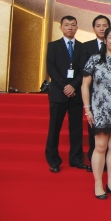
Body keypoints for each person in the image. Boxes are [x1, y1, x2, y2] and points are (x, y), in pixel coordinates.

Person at [81, 26, 111, 199]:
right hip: (100, 109)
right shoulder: (95, 59)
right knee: (100, 146)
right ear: (105, 39)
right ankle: (98, 184)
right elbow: (85, 85)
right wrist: (87, 110)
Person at [45, 15, 87, 172]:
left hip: (75, 93)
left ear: (77, 28)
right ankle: (53, 161)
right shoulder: (53, 46)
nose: (70, 27)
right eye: (67, 25)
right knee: (54, 127)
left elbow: (84, 69)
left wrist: (73, 86)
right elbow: (51, 69)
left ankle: (76, 159)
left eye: (73, 25)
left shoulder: (82, 48)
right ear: (61, 27)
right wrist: (65, 86)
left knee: (76, 129)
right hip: (58, 93)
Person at [81, 15, 111, 173]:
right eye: (98, 26)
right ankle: (94, 162)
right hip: (94, 97)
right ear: (93, 28)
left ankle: (107, 162)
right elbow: (84, 73)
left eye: (104, 26)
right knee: (95, 131)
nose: (101, 28)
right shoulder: (86, 47)